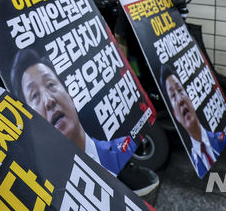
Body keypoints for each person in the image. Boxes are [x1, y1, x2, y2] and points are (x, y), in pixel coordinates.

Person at [10, 48, 158, 196]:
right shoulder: (50, 192)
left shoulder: (125, 143)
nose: (49, 101)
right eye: (34, 95)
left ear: (71, 95)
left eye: (50, 84)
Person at [160, 64, 226, 177]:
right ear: (174, 114)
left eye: (180, 90)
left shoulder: (221, 138)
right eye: (173, 96)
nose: (180, 100)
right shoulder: (194, 160)